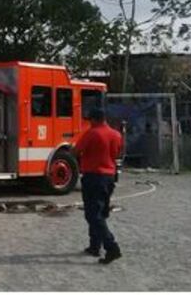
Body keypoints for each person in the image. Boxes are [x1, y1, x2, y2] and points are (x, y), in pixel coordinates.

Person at [74, 107, 123, 264]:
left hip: (93, 176)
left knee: (92, 214)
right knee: (101, 212)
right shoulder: (116, 134)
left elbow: (76, 151)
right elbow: (117, 153)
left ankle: (111, 246)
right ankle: (94, 246)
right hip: (109, 176)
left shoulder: (92, 133)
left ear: (94, 120)